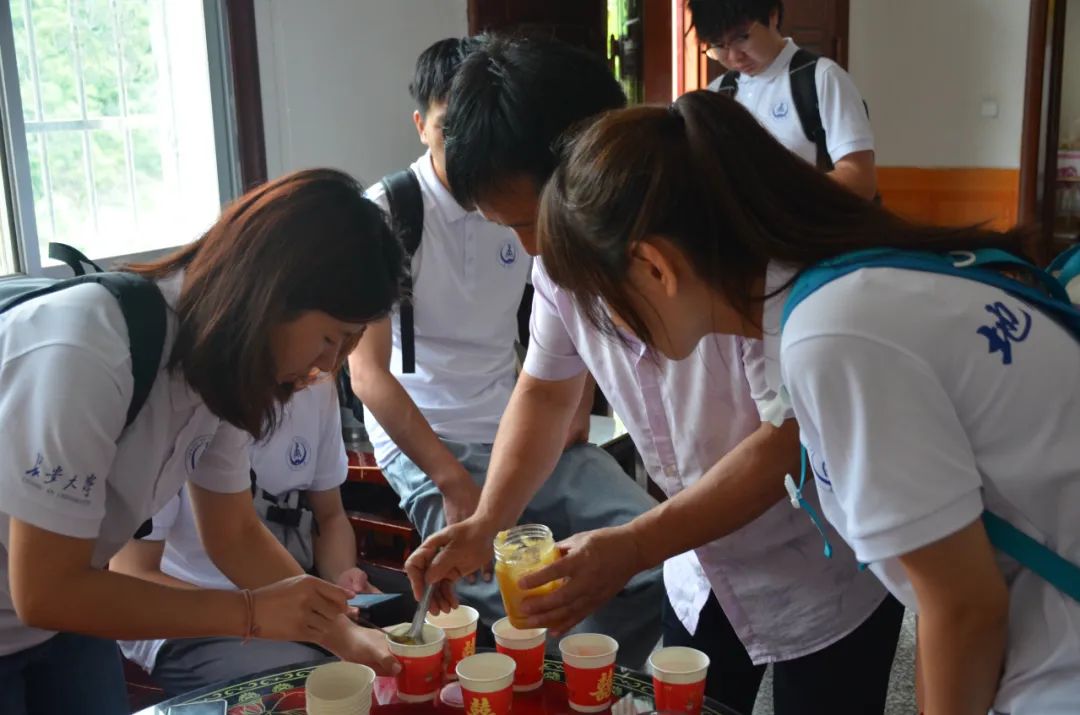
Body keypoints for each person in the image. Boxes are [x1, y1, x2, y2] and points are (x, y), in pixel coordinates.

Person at [530, 89, 1080, 714]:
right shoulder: (844, 285)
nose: (607, 329)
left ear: (654, 266)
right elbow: (949, 600)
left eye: (602, 302)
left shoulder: (831, 336)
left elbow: (964, 609)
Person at [405, 35, 902, 714]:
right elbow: (545, 391)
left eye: (527, 220)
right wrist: (491, 517)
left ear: (594, 165)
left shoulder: (744, 256)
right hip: (699, 565)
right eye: (507, 229)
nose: (531, 247)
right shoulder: (560, 267)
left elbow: (787, 438)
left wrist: (636, 544)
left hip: (820, 566)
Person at [0, 169, 404, 714]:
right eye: (330, 338)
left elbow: (233, 534)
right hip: (43, 602)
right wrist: (252, 613)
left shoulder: (221, 368)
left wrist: (341, 633)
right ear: (271, 294)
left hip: (64, 619)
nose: (326, 365)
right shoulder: (90, 352)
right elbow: (45, 590)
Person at [350, 37, 662, 666]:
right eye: (446, 130)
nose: (528, 247)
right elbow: (367, 373)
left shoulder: (565, 222)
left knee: (655, 566)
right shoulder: (390, 213)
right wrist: (457, 485)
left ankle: (583, 673)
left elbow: (550, 362)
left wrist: (576, 403)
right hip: (434, 435)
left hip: (512, 421)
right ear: (422, 125)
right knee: (512, 605)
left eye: (524, 224)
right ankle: (558, 676)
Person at [113, 379, 380, 696]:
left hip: (289, 594)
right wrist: (257, 611)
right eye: (323, 345)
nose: (324, 365)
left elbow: (330, 516)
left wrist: (341, 578)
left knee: (410, 635)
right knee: (315, 683)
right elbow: (132, 574)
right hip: (187, 615)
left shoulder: (317, 385)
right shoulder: (187, 401)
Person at [690, 0, 878, 200]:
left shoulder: (821, 78)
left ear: (772, 15)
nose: (735, 57)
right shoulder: (717, 93)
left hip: (810, 218)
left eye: (742, 38)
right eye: (719, 45)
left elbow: (861, 181)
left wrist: (779, 191)